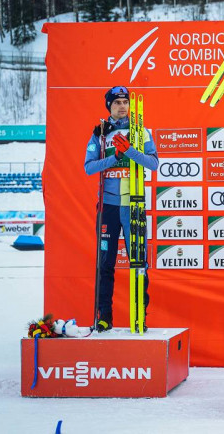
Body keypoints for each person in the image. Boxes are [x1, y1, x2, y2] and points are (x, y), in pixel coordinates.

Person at [84, 86, 158, 332]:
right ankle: (104, 317)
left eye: (125, 101)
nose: (122, 106)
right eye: (116, 102)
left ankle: (140, 316)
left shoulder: (141, 131)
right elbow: (89, 168)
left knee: (139, 263)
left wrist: (129, 151)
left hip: (133, 205)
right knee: (105, 263)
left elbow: (153, 163)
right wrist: (115, 157)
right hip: (108, 206)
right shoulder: (100, 133)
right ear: (109, 106)